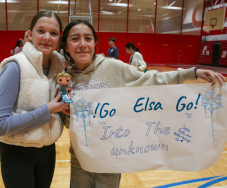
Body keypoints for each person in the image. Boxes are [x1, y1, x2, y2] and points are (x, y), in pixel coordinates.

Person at [61, 20, 226, 188]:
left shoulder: (113, 67)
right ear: (66, 46)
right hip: (80, 159)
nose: (82, 44)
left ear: (95, 43)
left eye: (88, 38)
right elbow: (68, 124)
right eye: (75, 39)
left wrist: (193, 72)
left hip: (110, 156)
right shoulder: (65, 78)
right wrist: (67, 113)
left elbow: (151, 79)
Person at [0, 10, 68, 188]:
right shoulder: (15, 67)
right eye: (41, 31)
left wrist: (67, 111)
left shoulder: (61, 70)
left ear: (59, 39)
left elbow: (59, 112)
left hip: (48, 151)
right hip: (17, 153)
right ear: (29, 35)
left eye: (54, 33)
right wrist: (48, 110)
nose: (47, 37)